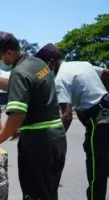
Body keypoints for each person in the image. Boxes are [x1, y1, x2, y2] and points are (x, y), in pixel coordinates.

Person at [0, 31, 67, 200]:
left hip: (38, 142)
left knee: (34, 194)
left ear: (8, 53)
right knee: (49, 192)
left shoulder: (19, 72)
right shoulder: (37, 64)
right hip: (56, 138)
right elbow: (12, 86)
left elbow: (16, 115)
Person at [35, 43, 109, 200]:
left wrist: (54, 141)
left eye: (43, 67)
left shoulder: (60, 79)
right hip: (105, 108)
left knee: (97, 173)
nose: (44, 71)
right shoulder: (83, 64)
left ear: (51, 62)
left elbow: (67, 116)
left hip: (99, 121)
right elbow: (107, 73)